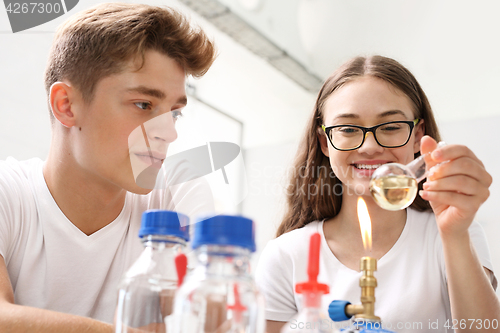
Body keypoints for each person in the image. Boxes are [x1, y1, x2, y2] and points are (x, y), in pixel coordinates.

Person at [0, 3, 216, 332]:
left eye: (174, 112)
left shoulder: (176, 191)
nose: (169, 132)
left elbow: (208, 311)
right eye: (143, 105)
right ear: (66, 105)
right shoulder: (8, 193)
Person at [255, 55, 499, 333]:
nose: (370, 146)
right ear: (325, 142)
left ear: (418, 136)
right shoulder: (287, 255)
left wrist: (455, 234)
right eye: (347, 129)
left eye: (391, 126)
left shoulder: (452, 236)